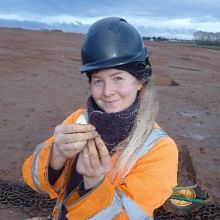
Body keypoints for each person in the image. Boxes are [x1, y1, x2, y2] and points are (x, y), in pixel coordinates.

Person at [22, 17, 178, 220]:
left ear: (140, 81)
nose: (107, 92)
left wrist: (94, 184)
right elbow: (33, 179)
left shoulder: (159, 149)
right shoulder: (78, 119)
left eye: (118, 78)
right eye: (98, 81)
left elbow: (131, 216)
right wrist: (56, 156)